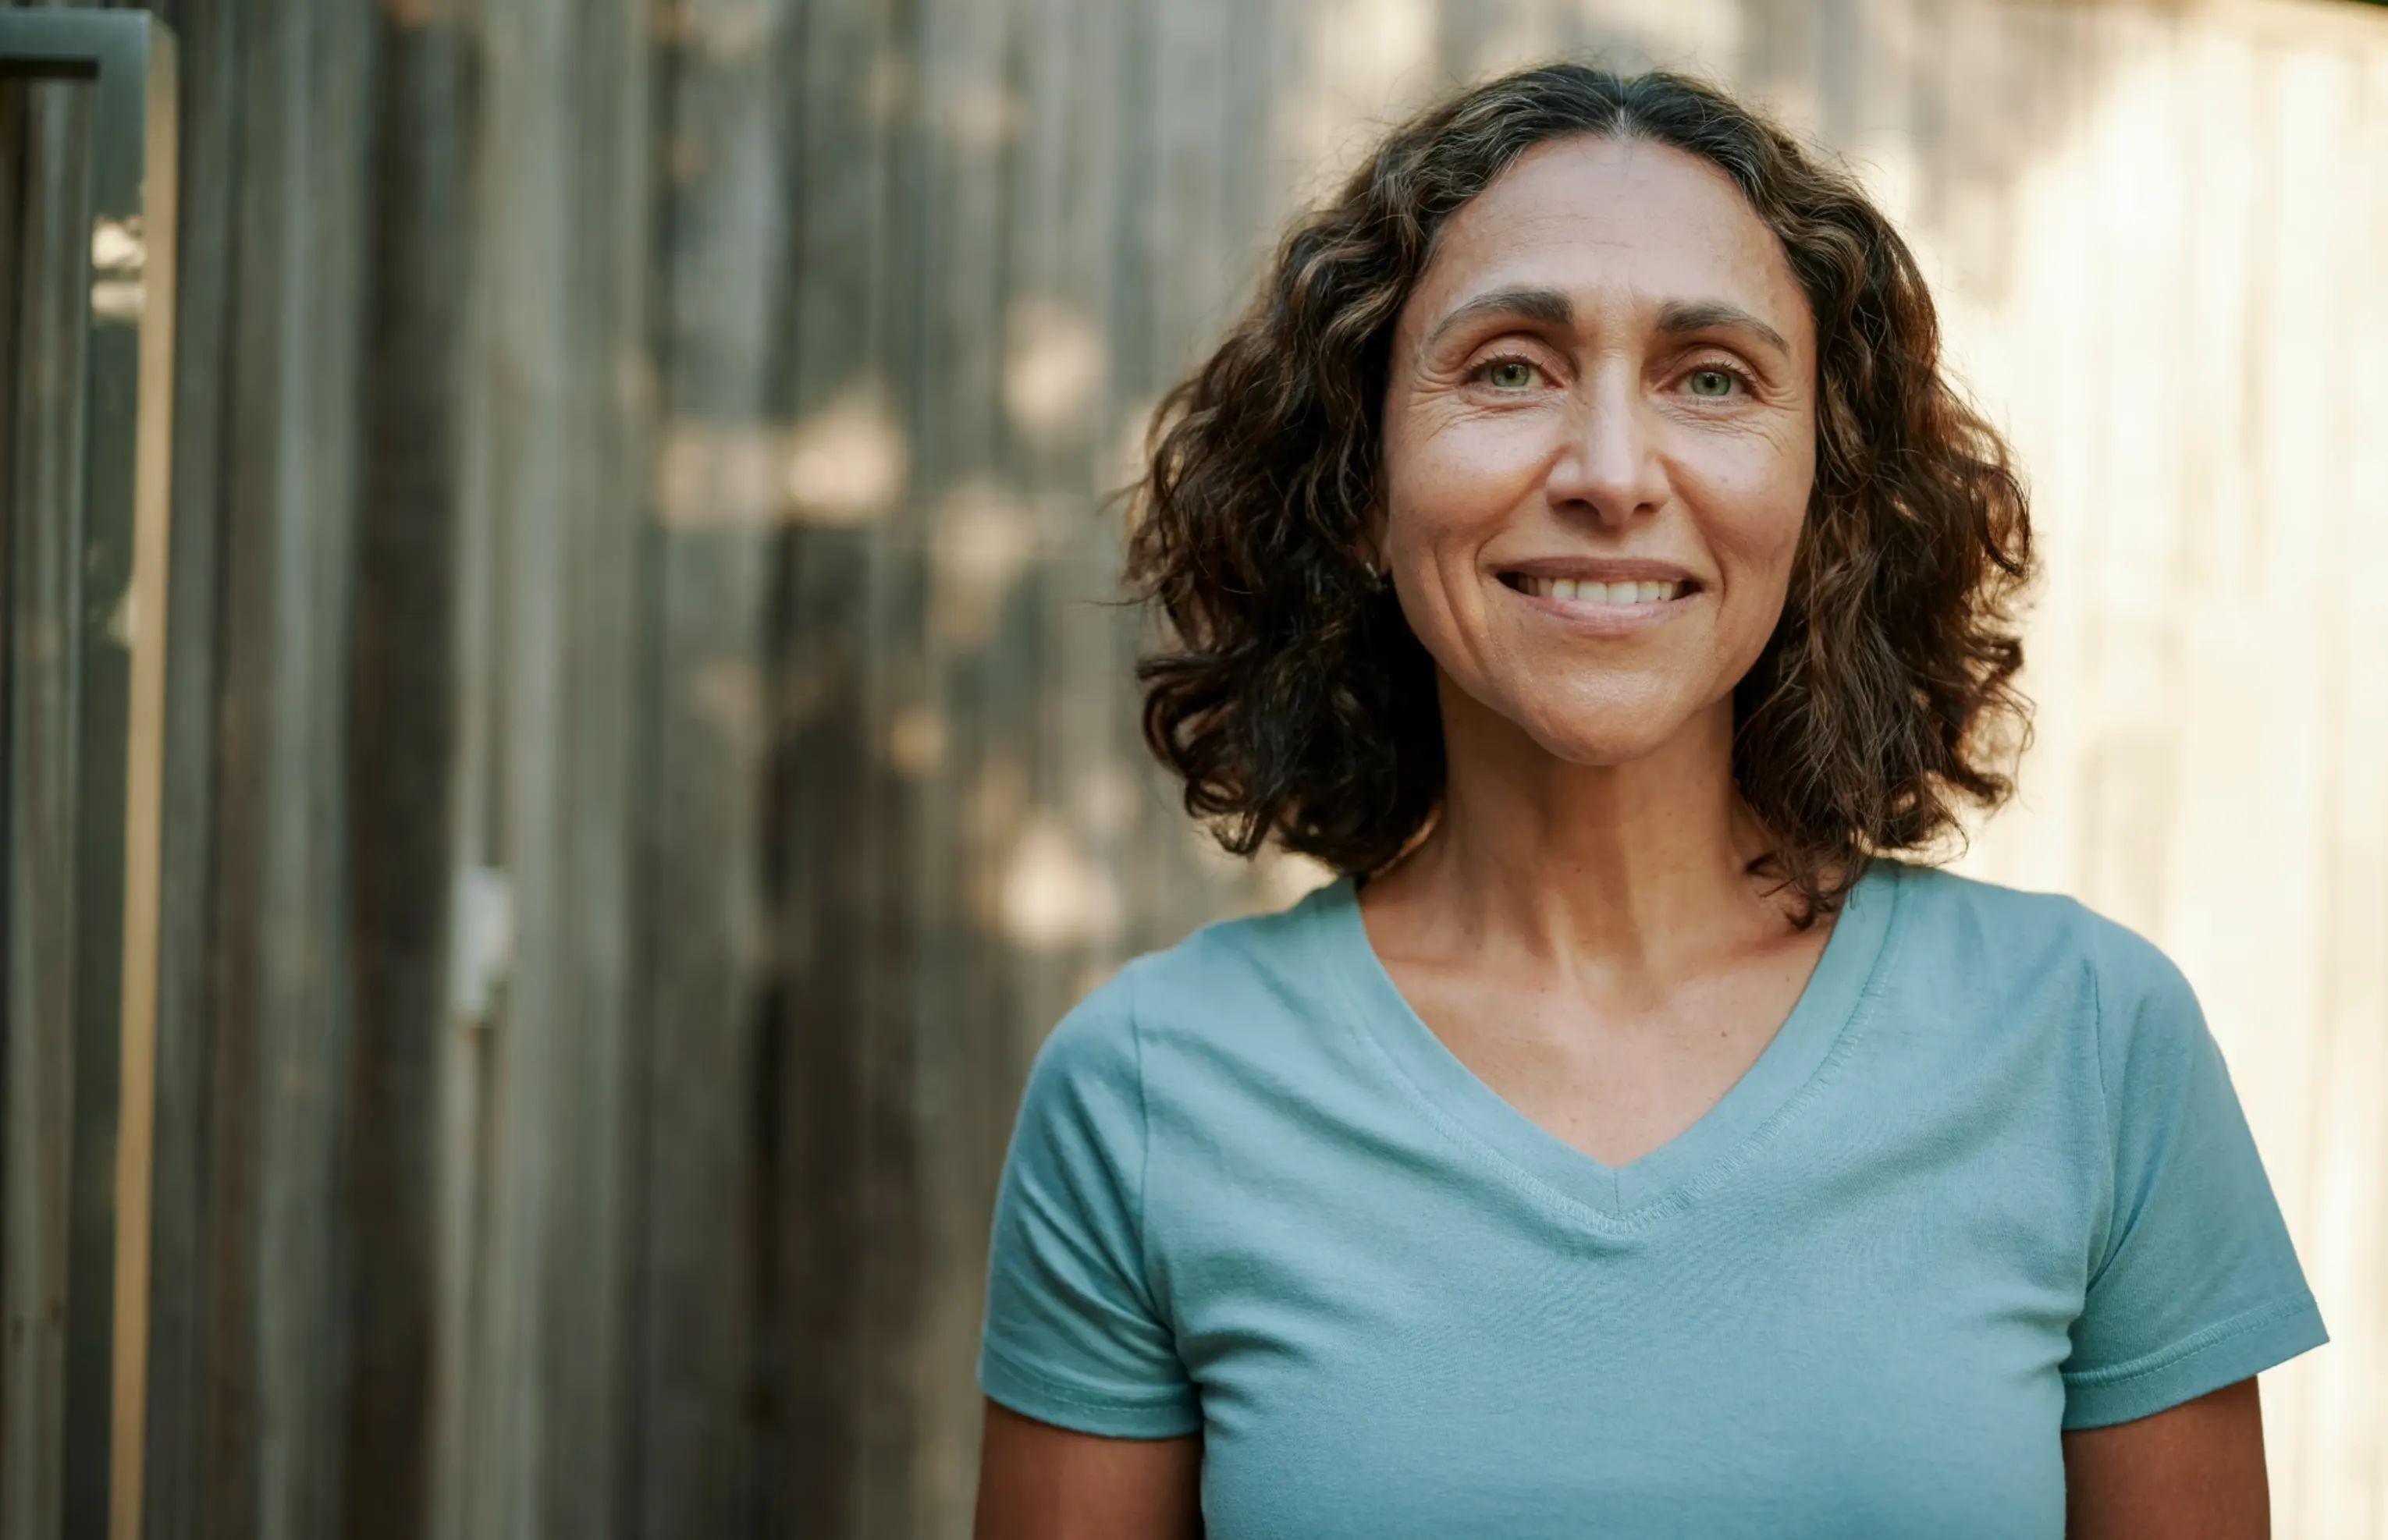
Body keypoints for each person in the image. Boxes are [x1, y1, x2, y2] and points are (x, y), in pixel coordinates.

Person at [971, 64, 2324, 1538]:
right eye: (1507, 368)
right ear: (1363, 482)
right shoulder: (1148, 1094)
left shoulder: (2094, 1048)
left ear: (1824, 493)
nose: (1613, 473)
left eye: (1713, 379)